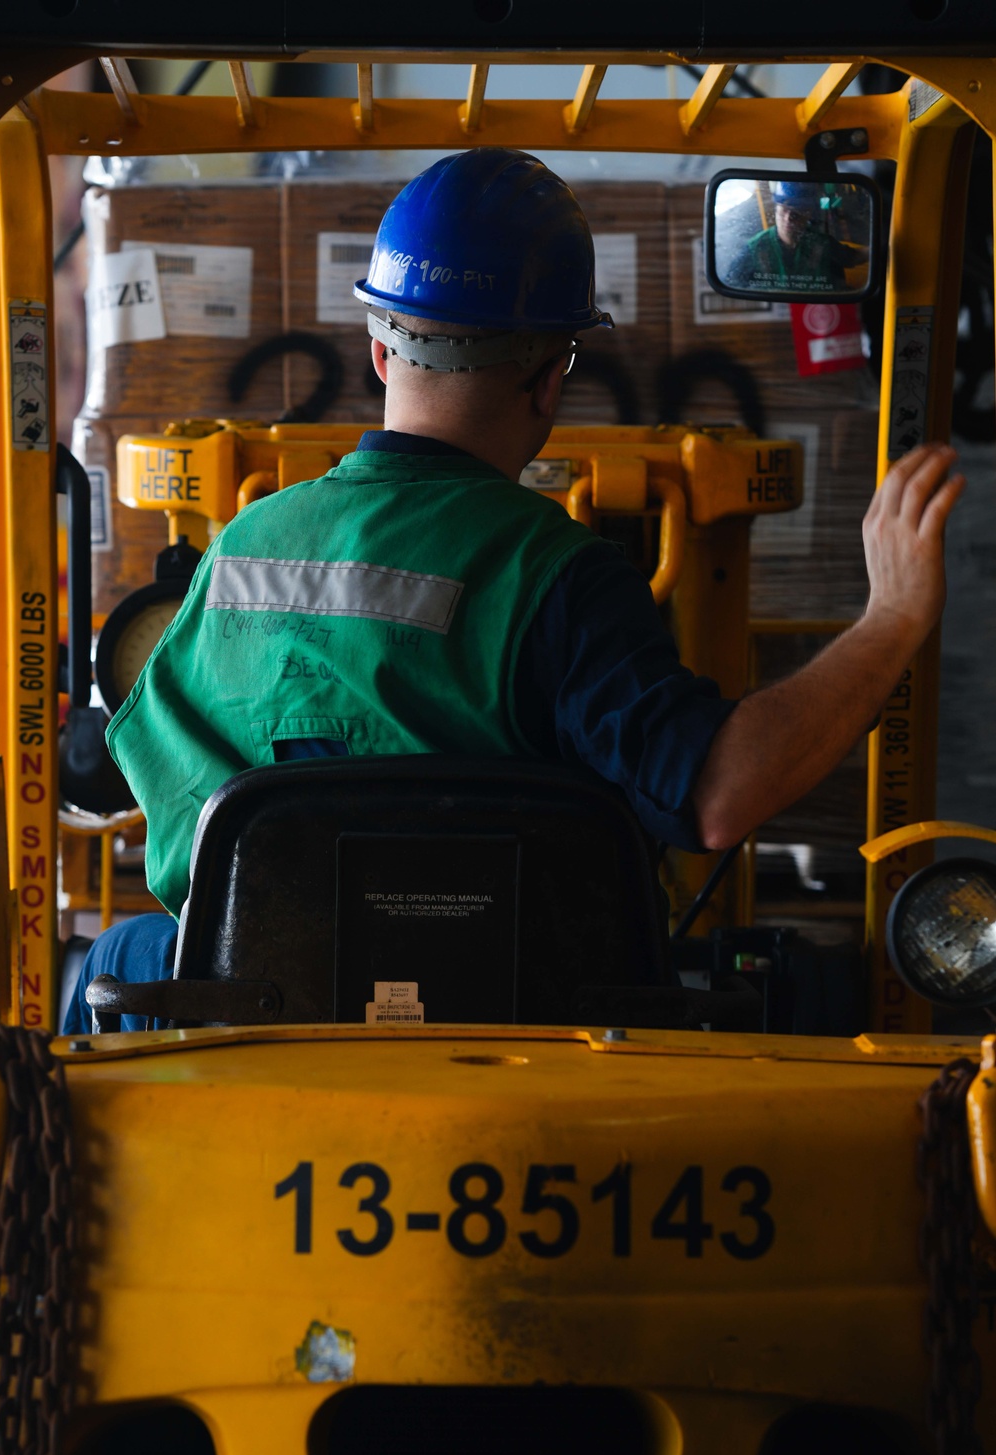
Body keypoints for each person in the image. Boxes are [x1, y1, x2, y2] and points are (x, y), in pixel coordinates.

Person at [64, 148, 963, 1032]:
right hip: (514, 1021)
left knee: (111, 964)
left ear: (379, 350)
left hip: (251, 1011)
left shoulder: (243, 545)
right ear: (548, 378)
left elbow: (158, 782)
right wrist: (893, 617)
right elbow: (718, 793)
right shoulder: (563, 577)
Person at [728, 181, 866, 293]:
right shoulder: (755, 248)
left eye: (796, 213)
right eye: (783, 210)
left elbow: (852, 257)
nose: (788, 219)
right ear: (776, 210)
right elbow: (730, 282)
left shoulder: (822, 243)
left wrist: (883, 250)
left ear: (808, 214)